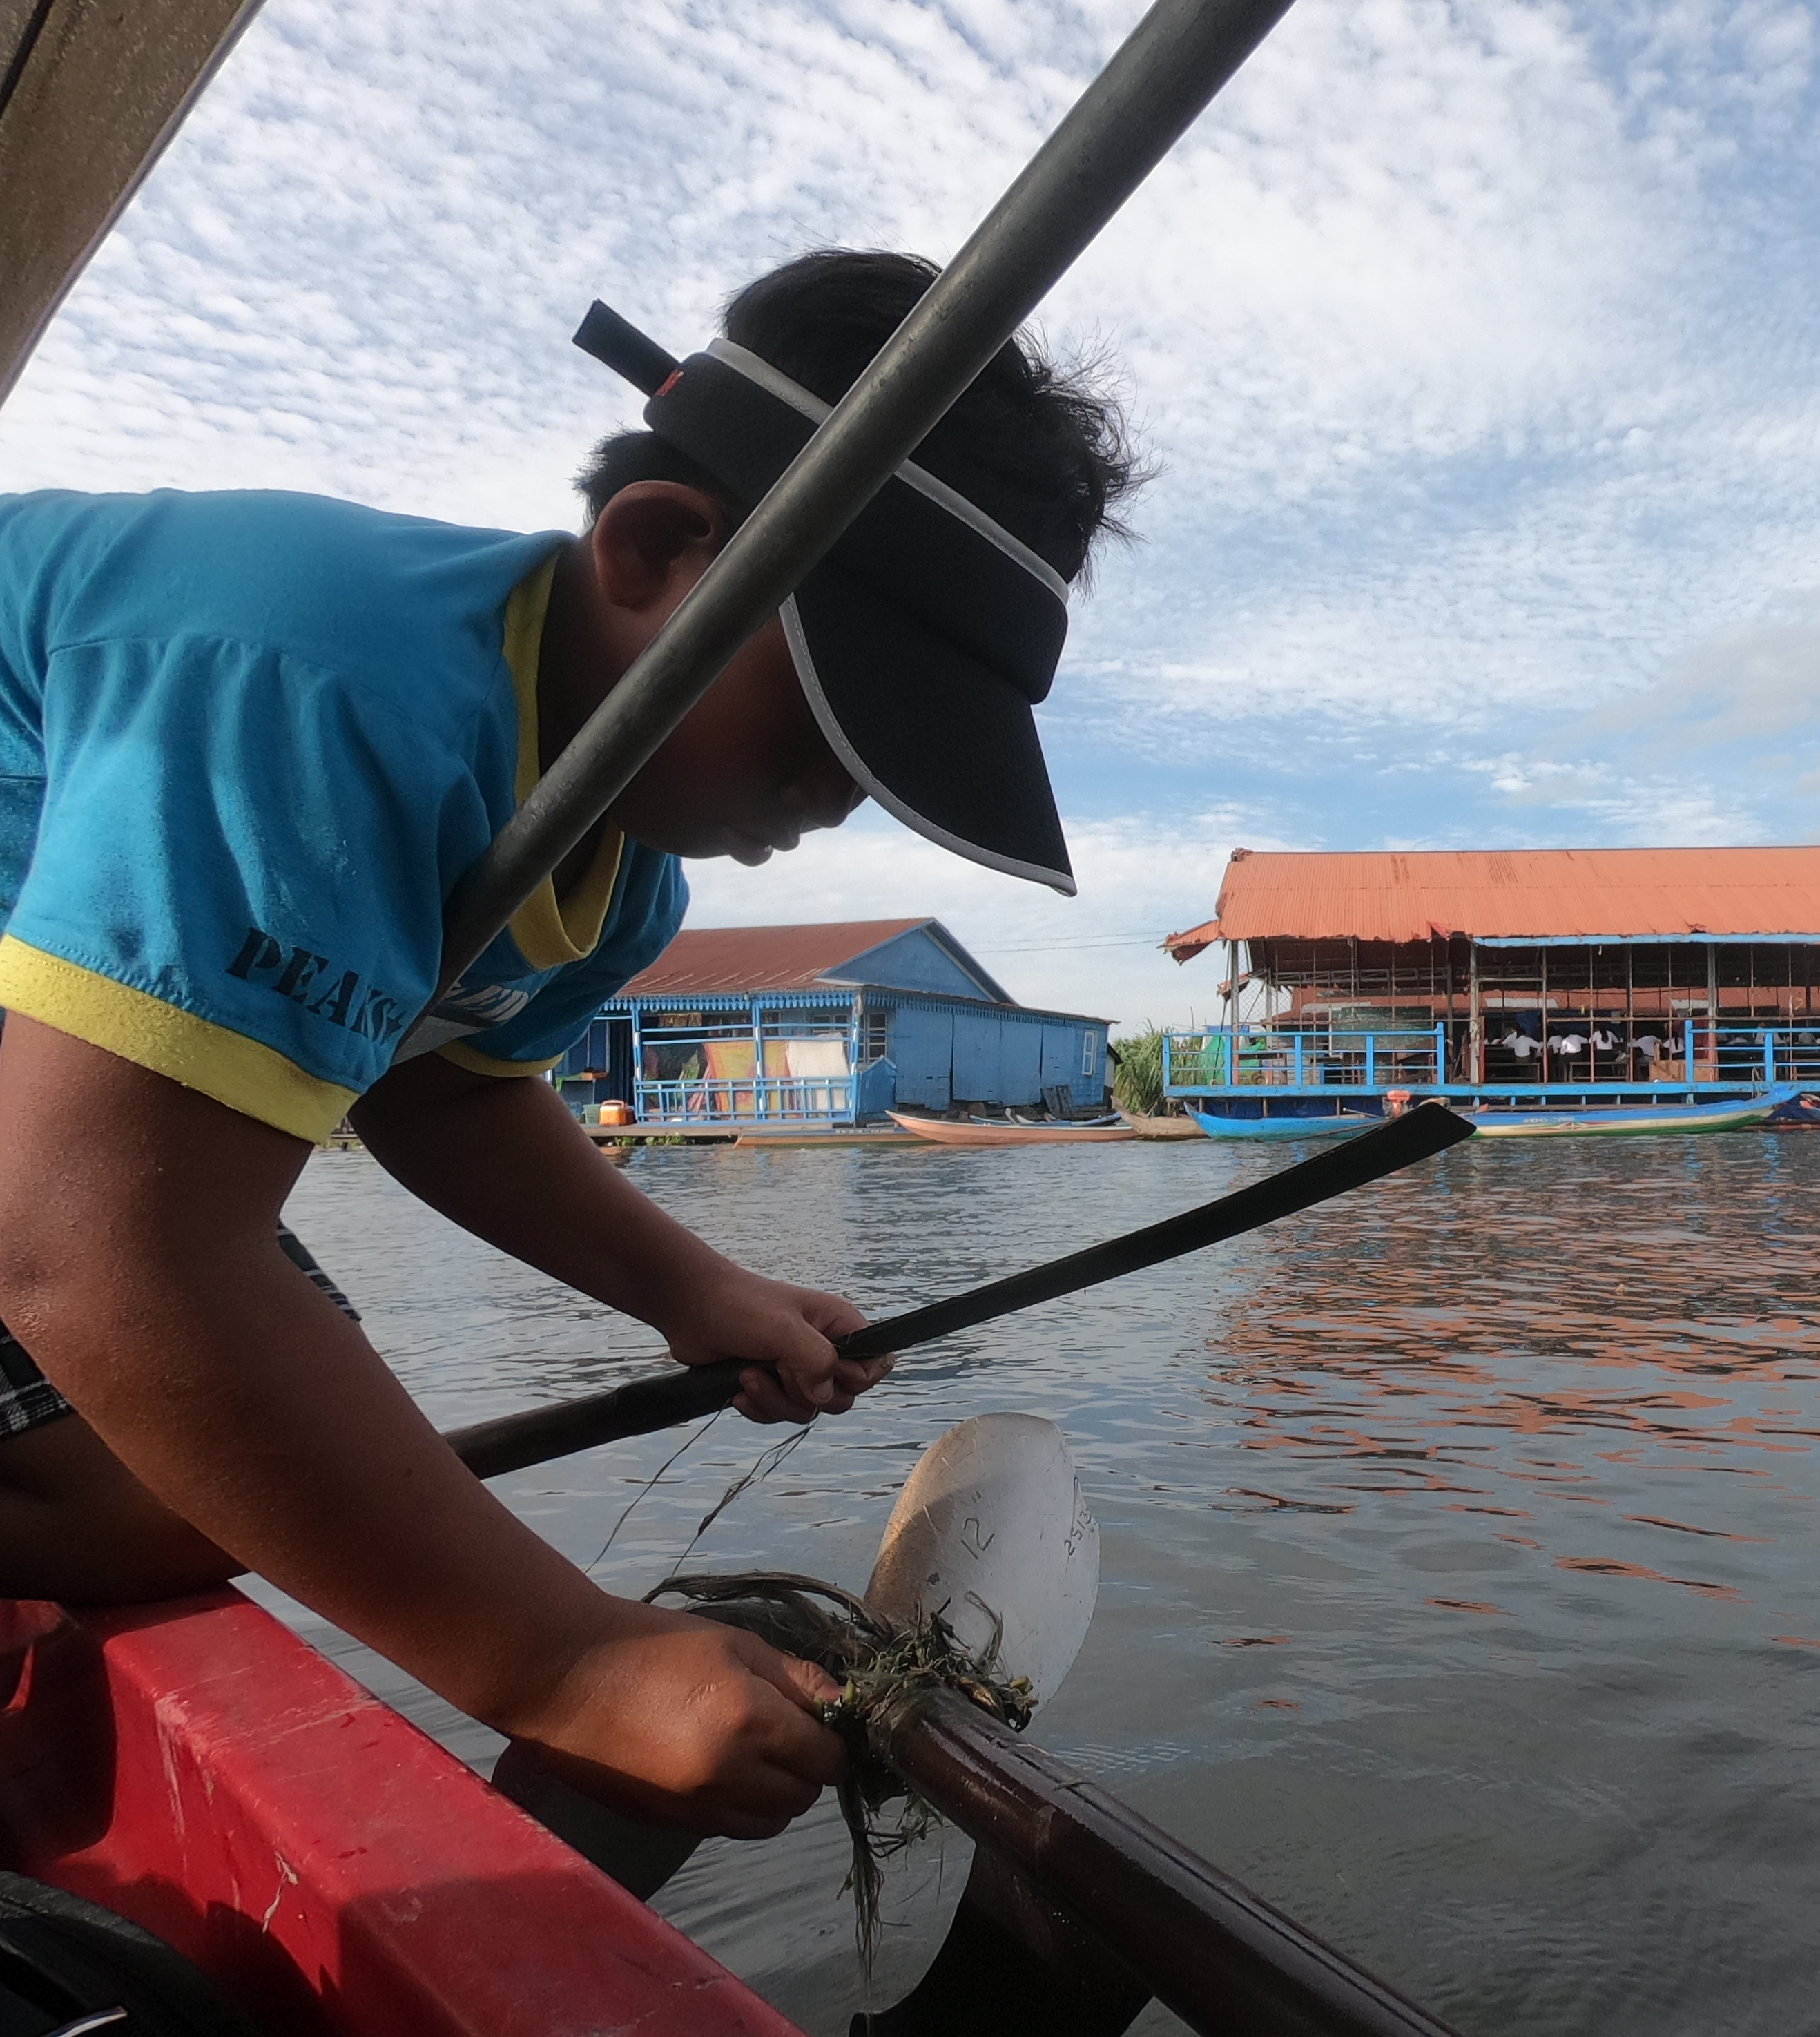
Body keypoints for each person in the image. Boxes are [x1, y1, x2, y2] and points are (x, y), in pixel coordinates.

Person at [0, 249, 1139, 1838]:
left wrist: (697, 1291)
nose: (835, 796)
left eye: (883, 765)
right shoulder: (320, 686)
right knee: (163, 1447)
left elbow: (444, 1088)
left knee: (179, 1478)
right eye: (832, 718)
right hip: (54, 1152)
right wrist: (566, 1662)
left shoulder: (610, 876)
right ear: (661, 549)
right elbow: (94, 1243)